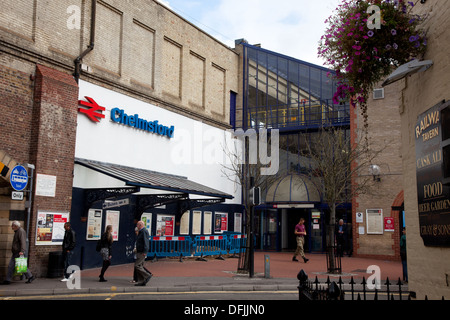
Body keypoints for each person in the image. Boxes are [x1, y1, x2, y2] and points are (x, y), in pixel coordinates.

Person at [134, 221, 152, 286]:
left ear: (140, 225)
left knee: (137, 266)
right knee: (140, 266)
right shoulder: (142, 231)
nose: (136, 226)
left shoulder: (144, 231)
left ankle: (147, 275)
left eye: (137, 225)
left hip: (141, 252)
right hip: (140, 251)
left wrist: (145, 251)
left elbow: (146, 242)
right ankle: (142, 281)